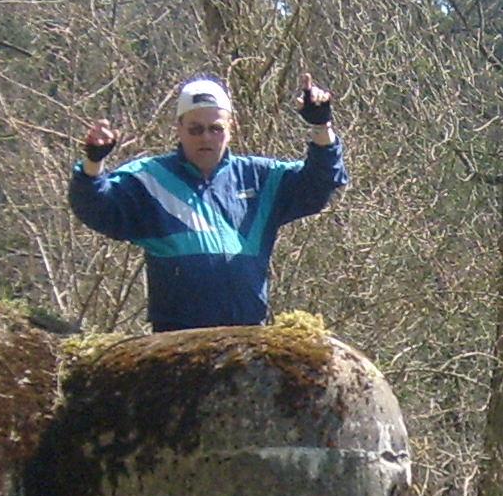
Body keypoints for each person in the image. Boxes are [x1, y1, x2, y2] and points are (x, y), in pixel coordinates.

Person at [68, 74, 344, 332]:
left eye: (215, 128)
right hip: (175, 344)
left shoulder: (260, 178)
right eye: (196, 129)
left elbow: (319, 182)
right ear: (179, 129)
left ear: (231, 128)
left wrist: (321, 126)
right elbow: (95, 207)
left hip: (248, 339)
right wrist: (94, 162)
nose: (206, 138)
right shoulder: (150, 180)